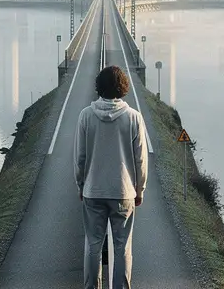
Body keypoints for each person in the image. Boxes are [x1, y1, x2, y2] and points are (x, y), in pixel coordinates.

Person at [74, 65, 148, 289]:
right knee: (122, 247)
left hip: (93, 191)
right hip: (124, 192)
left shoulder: (86, 116)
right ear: (123, 87)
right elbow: (141, 159)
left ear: (99, 87)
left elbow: (80, 157)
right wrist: (140, 189)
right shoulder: (134, 118)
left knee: (93, 245)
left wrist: (81, 185)